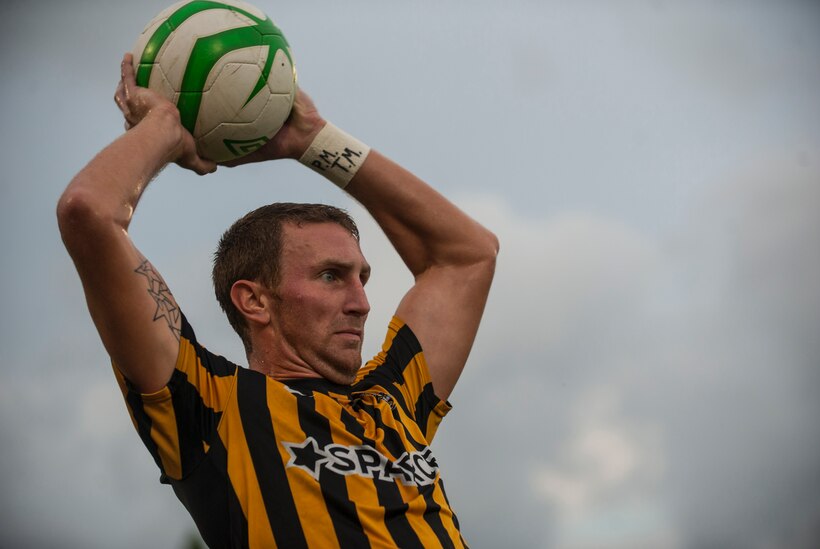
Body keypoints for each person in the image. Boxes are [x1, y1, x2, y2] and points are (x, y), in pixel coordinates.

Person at [57, 53, 498, 548]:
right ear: (253, 301)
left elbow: (469, 257)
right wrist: (164, 127)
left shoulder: (394, 401)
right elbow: (88, 211)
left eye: (362, 278)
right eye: (331, 276)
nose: (362, 303)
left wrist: (314, 141)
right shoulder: (209, 403)